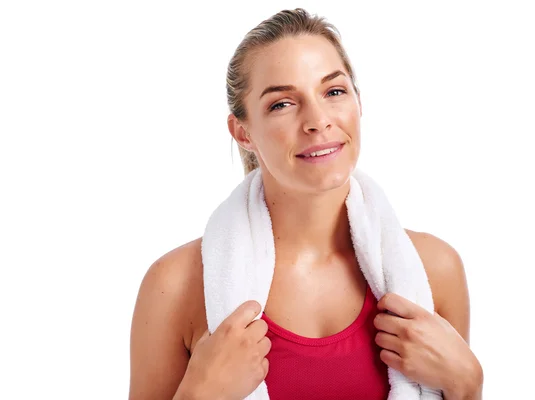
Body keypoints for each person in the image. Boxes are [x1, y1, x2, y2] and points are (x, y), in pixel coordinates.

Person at [129, 8, 483, 400]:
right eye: (282, 103)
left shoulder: (435, 269)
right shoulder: (175, 287)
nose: (318, 120)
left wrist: (467, 384)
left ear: (358, 103)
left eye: (333, 92)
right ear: (243, 132)